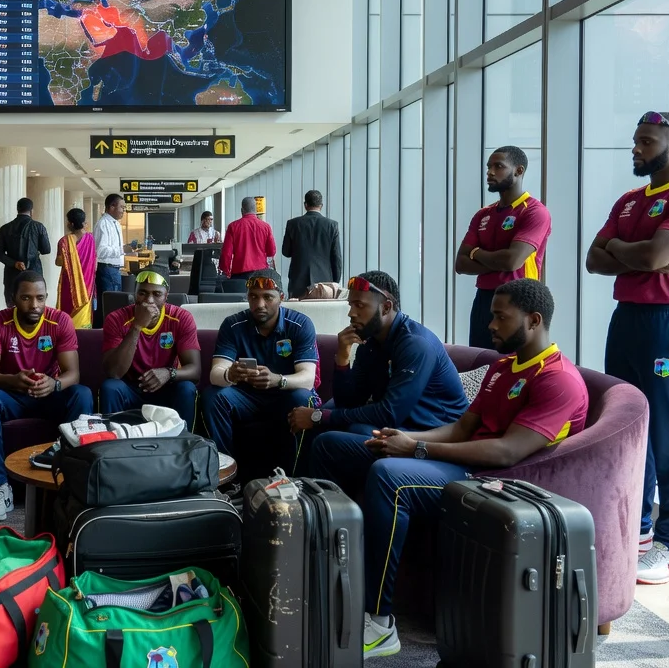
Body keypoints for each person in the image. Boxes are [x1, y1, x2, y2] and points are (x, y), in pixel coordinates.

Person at [311, 278, 589, 657]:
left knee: (389, 476)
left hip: (499, 485)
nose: (491, 325)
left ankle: (379, 622)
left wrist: (418, 449)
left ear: (534, 320)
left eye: (501, 317)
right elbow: (461, 429)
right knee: (334, 444)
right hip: (465, 466)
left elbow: (508, 453)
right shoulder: (502, 368)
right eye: (492, 315)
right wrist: (405, 439)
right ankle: (325, 567)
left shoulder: (558, 380)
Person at [585, 110, 669, 585]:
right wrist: (631, 250)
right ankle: (637, 530)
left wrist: (624, 249)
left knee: (666, 430)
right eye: (635, 141)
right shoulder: (628, 200)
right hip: (628, 319)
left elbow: (656, 256)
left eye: (646, 142)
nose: (636, 149)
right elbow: (592, 260)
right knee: (625, 424)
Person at [291, 271, 469, 458]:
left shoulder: (415, 344)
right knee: (324, 422)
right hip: (402, 424)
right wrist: (342, 357)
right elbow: (349, 402)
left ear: (386, 307)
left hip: (436, 432)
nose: (351, 313)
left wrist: (320, 417)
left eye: (360, 305)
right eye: (351, 305)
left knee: (337, 431)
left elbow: (390, 413)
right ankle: (300, 485)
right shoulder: (371, 343)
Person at [0, 270, 94, 521]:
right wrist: (13, 381)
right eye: (26, 298)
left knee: (82, 395)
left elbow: (74, 373)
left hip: (49, 395)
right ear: (13, 299)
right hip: (13, 395)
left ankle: (72, 480)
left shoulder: (60, 321)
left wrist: (55, 384)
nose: (35, 305)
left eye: (40, 297)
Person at [202, 270, 318, 466]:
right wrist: (230, 374)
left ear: (281, 297)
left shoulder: (299, 325)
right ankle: (226, 473)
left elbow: (308, 378)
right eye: (253, 297)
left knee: (302, 398)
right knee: (214, 396)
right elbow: (216, 374)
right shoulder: (233, 325)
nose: (260, 304)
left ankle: (297, 477)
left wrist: (277, 379)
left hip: (284, 396)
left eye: (268, 297)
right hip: (245, 398)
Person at [454, 147, 552, 348]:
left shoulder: (535, 211)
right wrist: (498, 260)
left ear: (519, 171)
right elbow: (461, 264)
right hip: (484, 299)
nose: (490, 172)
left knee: (513, 363)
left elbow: (512, 261)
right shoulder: (483, 215)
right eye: (488, 167)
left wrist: (476, 253)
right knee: (481, 362)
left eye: (498, 166)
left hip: (519, 300)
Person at [101, 267, 203, 429]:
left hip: (166, 386)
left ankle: (184, 445)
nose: (149, 300)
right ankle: (115, 445)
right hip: (131, 387)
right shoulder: (116, 319)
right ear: (134, 293)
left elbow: (195, 371)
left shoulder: (181, 318)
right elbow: (114, 372)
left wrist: (169, 373)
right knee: (111, 387)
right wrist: (137, 326)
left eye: (156, 294)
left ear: (166, 296)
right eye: (142, 293)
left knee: (186, 388)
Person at [282, 190, 344, 299]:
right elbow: (337, 258)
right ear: (321, 206)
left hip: (298, 280)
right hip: (324, 284)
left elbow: (286, 252)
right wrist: (335, 282)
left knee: (298, 313)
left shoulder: (293, 224)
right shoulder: (332, 225)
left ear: (305, 205)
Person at [0, 197, 52, 305]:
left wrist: (14, 263)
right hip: (34, 272)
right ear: (31, 211)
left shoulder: (5, 228)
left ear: (17, 210)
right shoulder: (39, 227)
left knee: (13, 305)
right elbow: (46, 250)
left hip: (12, 274)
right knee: (33, 306)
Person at [92, 194, 131, 326]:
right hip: (107, 269)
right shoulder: (103, 224)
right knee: (109, 306)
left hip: (114, 269)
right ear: (111, 206)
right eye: (121, 207)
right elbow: (100, 251)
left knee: (115, 304)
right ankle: (103, 334)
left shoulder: (115, 224)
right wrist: (122, 250)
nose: (123, 211)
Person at [55, 207, 96, 328]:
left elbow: (58, 262)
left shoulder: (64, 241)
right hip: (87, 283)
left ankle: (66, 332)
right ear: (83, 222)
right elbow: (94, 261)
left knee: (68, 309)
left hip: (70, 285)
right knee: (84, 319)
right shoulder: (90, 239)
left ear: (70, 224)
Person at [219, 196, 277, 280]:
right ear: (256, 210)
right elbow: (271, 252)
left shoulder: (233, 227)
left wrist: (226, 272)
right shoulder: (266, 227)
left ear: (242, 210)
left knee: (239, 293)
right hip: (260, 273)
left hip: (239, 273)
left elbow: (226, 254)